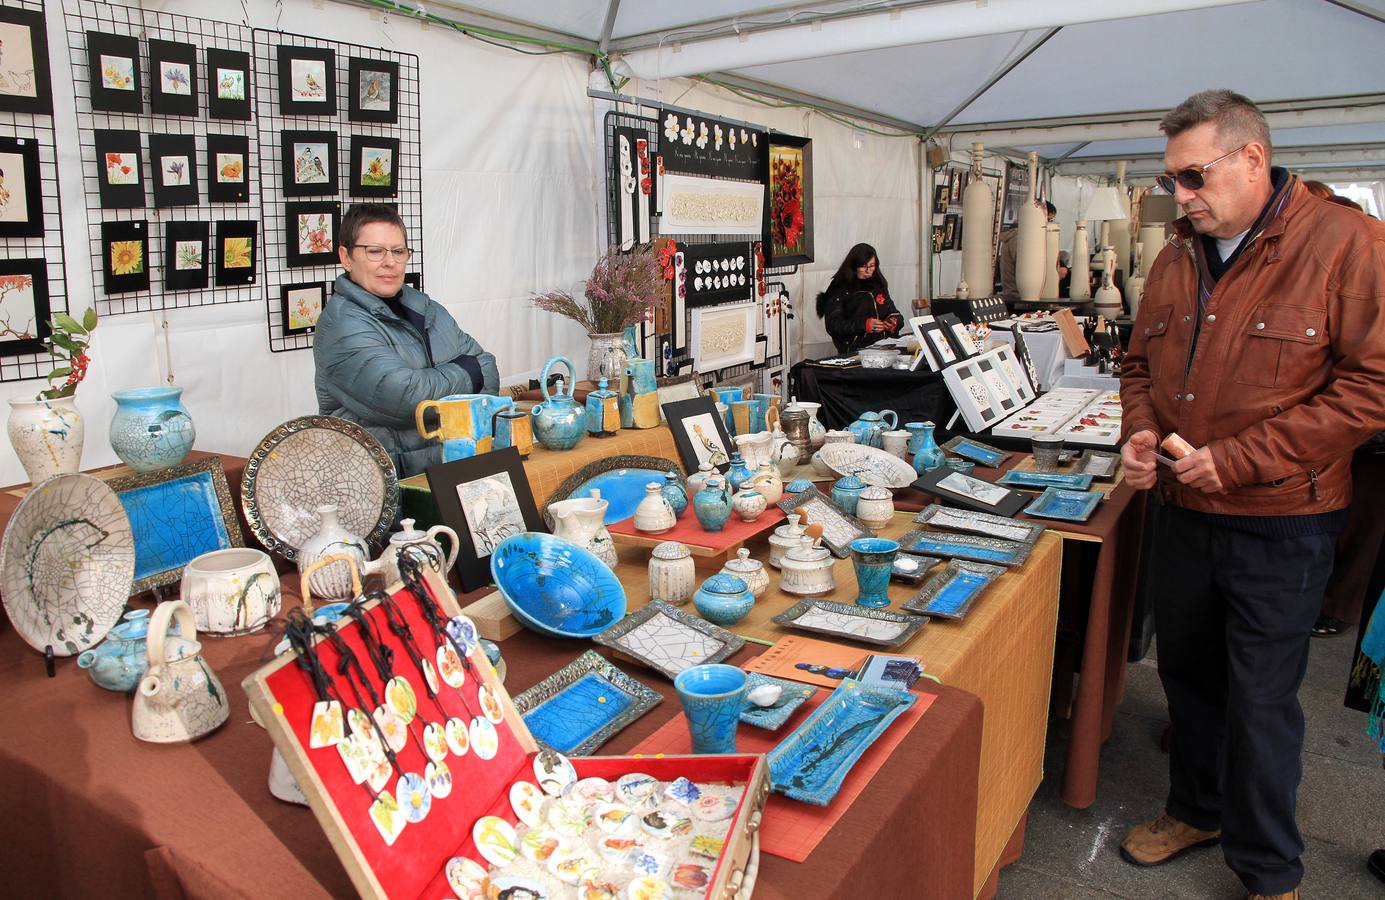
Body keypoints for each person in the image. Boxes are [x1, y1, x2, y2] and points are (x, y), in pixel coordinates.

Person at [1118, 89, 1385, 900]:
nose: (1182, 197)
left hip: (1280, 522)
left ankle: (1269, 870)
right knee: (1188, 680)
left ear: (1251, 159)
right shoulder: (1173, 257)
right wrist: (1136, 433)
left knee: (1262, 703)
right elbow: (1137, 369)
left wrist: (1236, 461)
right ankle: (1196, 808)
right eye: (1173, 182)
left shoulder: (1347, 243)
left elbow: (1372, 385)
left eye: (1192, 177)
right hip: (1182, 513)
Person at [314, 203, 498, 477]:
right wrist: (467, 371)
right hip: (383, 486)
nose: (390, 262)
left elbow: (489, 371)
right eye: (375, 251)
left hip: (447, 470)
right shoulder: (340, 325)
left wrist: (434, 384)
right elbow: (404, 399)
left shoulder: (428, 309)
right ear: (346, 257)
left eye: (398, 251)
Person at [814, 243, 904, 355]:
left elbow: (892, 310)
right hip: (855, 350)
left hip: (884, 346)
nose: (868, 270)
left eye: (872, 265)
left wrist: (893, 321)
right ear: (853, 266)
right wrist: (864, 325)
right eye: (863, 266)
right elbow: (833, 324)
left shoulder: (878, 283)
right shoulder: (839, 287)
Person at [997, 201, 1057, 299]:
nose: (1049, 224)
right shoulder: (1019, 239)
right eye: (1048, 220)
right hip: (1019, 298)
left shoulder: (1021, 237)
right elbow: (1030, 268)